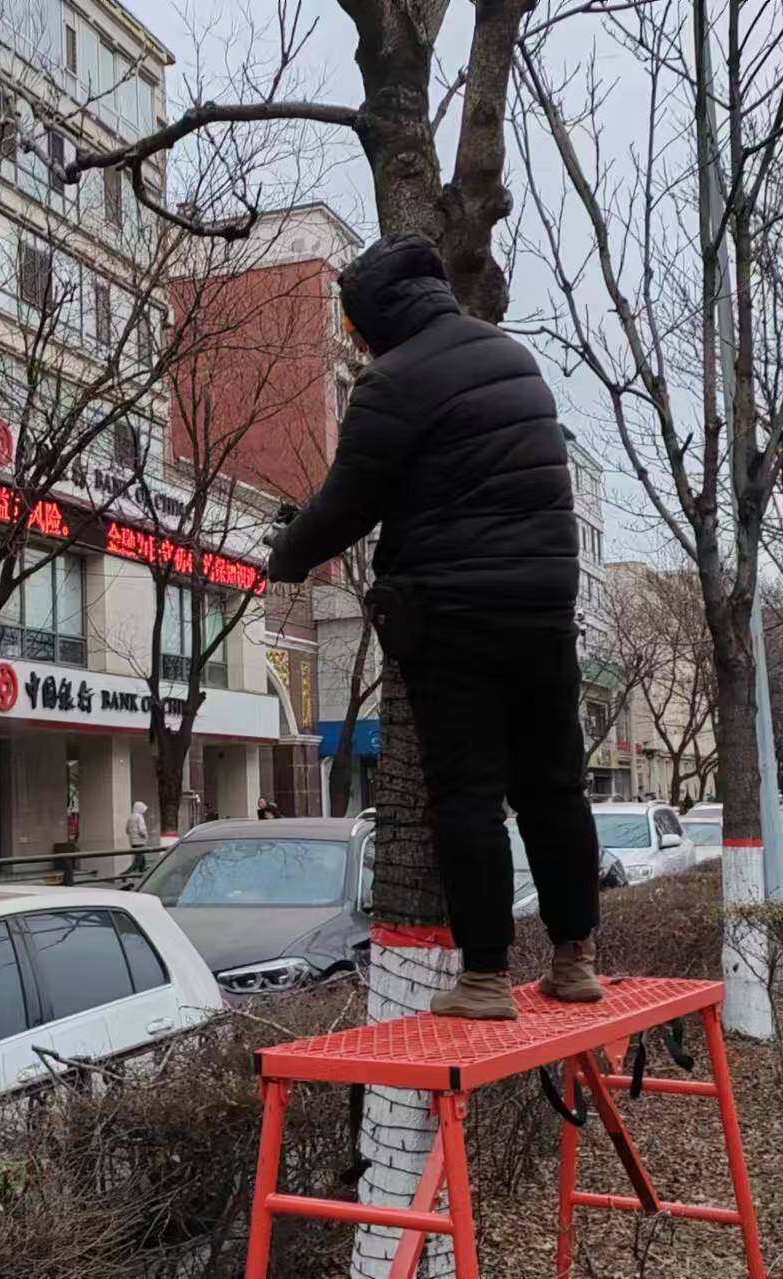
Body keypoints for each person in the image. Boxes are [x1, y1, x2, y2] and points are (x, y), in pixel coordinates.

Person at [266, 234, 601, 1020]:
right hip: (547, 611)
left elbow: (347, 504)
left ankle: (483, 976)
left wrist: (281, 555)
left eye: (354, 325)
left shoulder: (392, 383)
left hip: (455, 614)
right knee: (554, 788)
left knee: (468, 796)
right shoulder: (511, 358)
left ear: (376, 316)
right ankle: (574, 957)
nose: (356, 339)